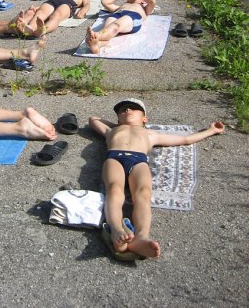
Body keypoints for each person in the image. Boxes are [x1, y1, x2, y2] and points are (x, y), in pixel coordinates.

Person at [89, 97, 225, 259]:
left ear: (145, 118)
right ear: (118, 118)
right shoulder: (111, 131)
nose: (127, 110)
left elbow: (186, 139)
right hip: (114, 158)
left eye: (133, 108)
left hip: (138, 161)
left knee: (144, 193)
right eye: (123, 110)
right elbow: (93, 119)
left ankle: (141, 237)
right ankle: (116, 230)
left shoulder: (151, 134)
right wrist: (120, 125)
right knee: (114, 189)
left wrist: (211, 131)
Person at [86, 0, 156, 54]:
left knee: (116, 26)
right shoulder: (120, 7)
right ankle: (98, 44)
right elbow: (105, 2)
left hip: (134, 16)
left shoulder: (144, 8)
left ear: (143, 0)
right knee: (107, 29)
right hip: (118, 13)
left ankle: (95, 36)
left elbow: (152, 2)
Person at [16, 0, 91, 37]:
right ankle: (30, 28)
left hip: (68, 2)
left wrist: (83, 11)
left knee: (56, 16)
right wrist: (38, 7)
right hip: (53, 1)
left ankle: (43, 30)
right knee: (40, 13)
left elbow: (87, 4)